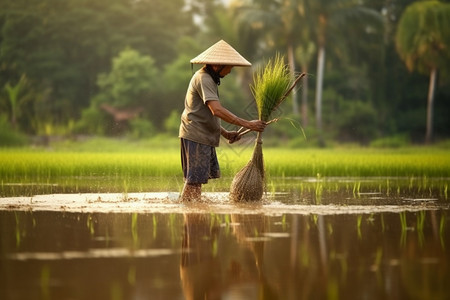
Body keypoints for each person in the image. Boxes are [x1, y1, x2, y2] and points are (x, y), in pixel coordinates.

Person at [179, 40, 266, 202]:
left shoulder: (208, 79)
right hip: (196, 136)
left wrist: (225, 133)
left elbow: (204, 114)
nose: (230, 71)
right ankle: (191, 214)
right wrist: (249, 124)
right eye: (229, 67)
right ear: (218, 65)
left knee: (195, 182)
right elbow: (216, 110)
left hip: (200, 135)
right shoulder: (204, 78)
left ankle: (192, 213)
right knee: (194, 182)